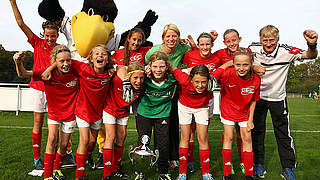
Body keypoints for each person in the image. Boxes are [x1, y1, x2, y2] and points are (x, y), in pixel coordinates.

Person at [249, 25, 318, 180]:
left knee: (283, 134)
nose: (268, 44)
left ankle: (287, 167)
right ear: (260, 39)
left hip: (278, 98)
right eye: (265, 40)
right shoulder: (252, 49)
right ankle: (258, 164)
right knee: (256, 132)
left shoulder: (286, 51)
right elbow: (239, 61)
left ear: (278, 39)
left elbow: (310, 55)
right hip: (257, 97)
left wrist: (312, 44)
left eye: (271, 40)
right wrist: (254, 66)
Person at [43, 44, 115, 179]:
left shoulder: (110, 72)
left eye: (104, 54)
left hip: (97, 113)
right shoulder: (82, 67)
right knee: (85, 140)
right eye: (97, 54)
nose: (100, 56)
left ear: (108, 59)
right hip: (82, 110)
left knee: (92, 142)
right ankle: (79, 175)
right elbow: (60, 60)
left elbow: (123, 68)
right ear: (91, 58)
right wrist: (49, 69)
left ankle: (86, 158)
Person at [13, 45, 79, 180]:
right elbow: (23, 74)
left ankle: (56, 169)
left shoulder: (76, 71)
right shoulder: (46, 73)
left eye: (68, 60)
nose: (66, 64)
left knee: (64, 145)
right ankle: (48, 175)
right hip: (54, 113)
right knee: (52, 139)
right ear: (55, 61)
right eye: (61, 61)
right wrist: (18, 62)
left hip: (70, 114)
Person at [9, 0, 60, 170]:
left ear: (57, 35)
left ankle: (57, 156)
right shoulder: (37, 43)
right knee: (37, 123)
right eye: (47, 35)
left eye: (53, 36)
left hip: (55, 91)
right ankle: (37, 158)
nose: (50, 39)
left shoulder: (60, 49)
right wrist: (12, 2)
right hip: (38, 89)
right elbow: (20, 23)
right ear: (43, 34)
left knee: (55, 127)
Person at [95, 28, 151, 170]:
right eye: (134, 39)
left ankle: (140, 151)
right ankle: (105, 163)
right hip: (115, 99)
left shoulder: (145, 52)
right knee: (109, 135)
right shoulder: (118, 54)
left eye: (139, 40)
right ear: (128, 39)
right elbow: (111, 66)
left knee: (126, 133)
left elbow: (161, 50)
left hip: (130, 99)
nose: (136, 42)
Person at [145, 24, 190, 168]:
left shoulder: (183, 48)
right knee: (160, 127)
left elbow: (194, 55)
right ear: (163, 37)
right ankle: (159, 156)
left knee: (173, 125)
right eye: (168, 36)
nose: (171, 39)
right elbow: (146, 63)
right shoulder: (154, 50)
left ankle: (173, 156)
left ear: (178, 37)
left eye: (174, 36)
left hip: (174, 90)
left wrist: (189, 43)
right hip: (158, 91)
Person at [211, 49, 260, 180]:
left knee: (247, 140)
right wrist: (225, 65)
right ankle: (227, 172)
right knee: (229, 138)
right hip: (228, 111)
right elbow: (212, 77)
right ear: (233, 64)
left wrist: (251, 119)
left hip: (245, 113)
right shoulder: (227, 73)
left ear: (251, 64)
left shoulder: (256, 79)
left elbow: (254, 100)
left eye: (245, 65)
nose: (241, 68)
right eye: (238, 64)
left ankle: (249, 173)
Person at [180, 32, 220, 173]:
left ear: (212, 45)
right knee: (189, 132)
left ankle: (205, 169)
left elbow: (227, 65)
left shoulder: (217, 57)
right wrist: (182, 42)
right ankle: (189, 162)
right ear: (197, 45)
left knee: (203, 134)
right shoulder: (190, 55)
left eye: (207, 44)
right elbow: (177, 60)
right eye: (201, 44)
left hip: (206, 100)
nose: (204, 47)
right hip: (188, 99)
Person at [136, 51, 178, 180]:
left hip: (163, 113)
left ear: (167, 67)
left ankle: (163, 171)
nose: (158, 70)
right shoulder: (144, 78)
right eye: (155, 66)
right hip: (145, 113)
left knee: (163, 143)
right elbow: (125, 70)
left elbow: (190, 73)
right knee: (144, 141)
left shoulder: (173, 79)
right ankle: (141, 171)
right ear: (150, 66)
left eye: (161, 66)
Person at [102, 62, 145, 180]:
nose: (139, 81)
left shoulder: (141, 86)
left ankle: (115, 168)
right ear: (128, 77)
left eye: (141, 78)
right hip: (110, 109)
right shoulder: (118, 79)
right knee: (110, 136)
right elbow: (121, 67)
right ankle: (106, 173)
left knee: (122, 137)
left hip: (123, 111)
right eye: (135, 78)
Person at [171, 64, 214, 180]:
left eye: (203, 82)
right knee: (185, 136)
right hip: (184, 107)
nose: (200, 86)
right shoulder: (183, 78)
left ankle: (206, 172)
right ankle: (182, 172)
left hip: (202, 107)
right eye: (196, 82)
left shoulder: (212, 78)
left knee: (203, 137)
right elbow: (171, 66)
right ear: (190, 79)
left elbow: (226, 66)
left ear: (208, 79)